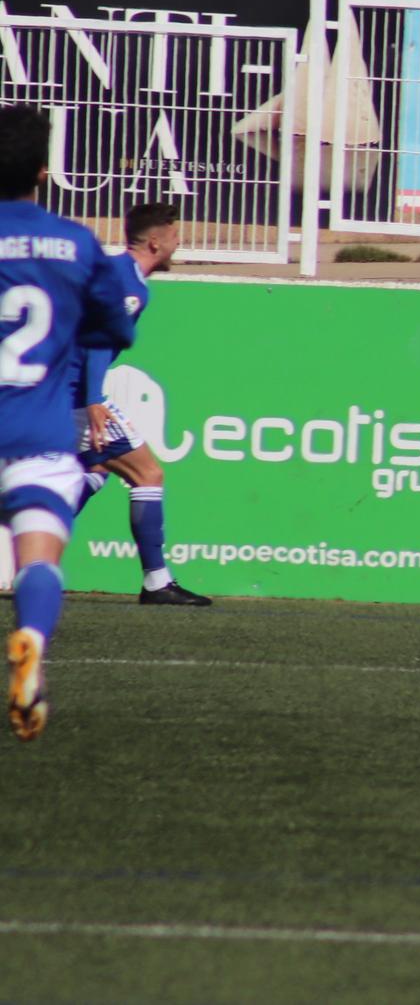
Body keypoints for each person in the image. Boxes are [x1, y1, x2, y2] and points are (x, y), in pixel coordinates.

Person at [0, 104, 137, 740]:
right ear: (44, 170)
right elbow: (117, 326)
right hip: (37, 439)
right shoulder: (77, 243)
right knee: (39, 557)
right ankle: (30, 636)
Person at [72, 201, 209, 606]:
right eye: (174, 236)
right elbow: (96, 343)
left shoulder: (115, 272)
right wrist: (94, 399)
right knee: (148, 474)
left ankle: (33, 539)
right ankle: (156, 582)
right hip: (76, 394)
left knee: (95, 467)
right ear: (154, 241)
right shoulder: (129, 287)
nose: (178, 243)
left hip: (59, 391)